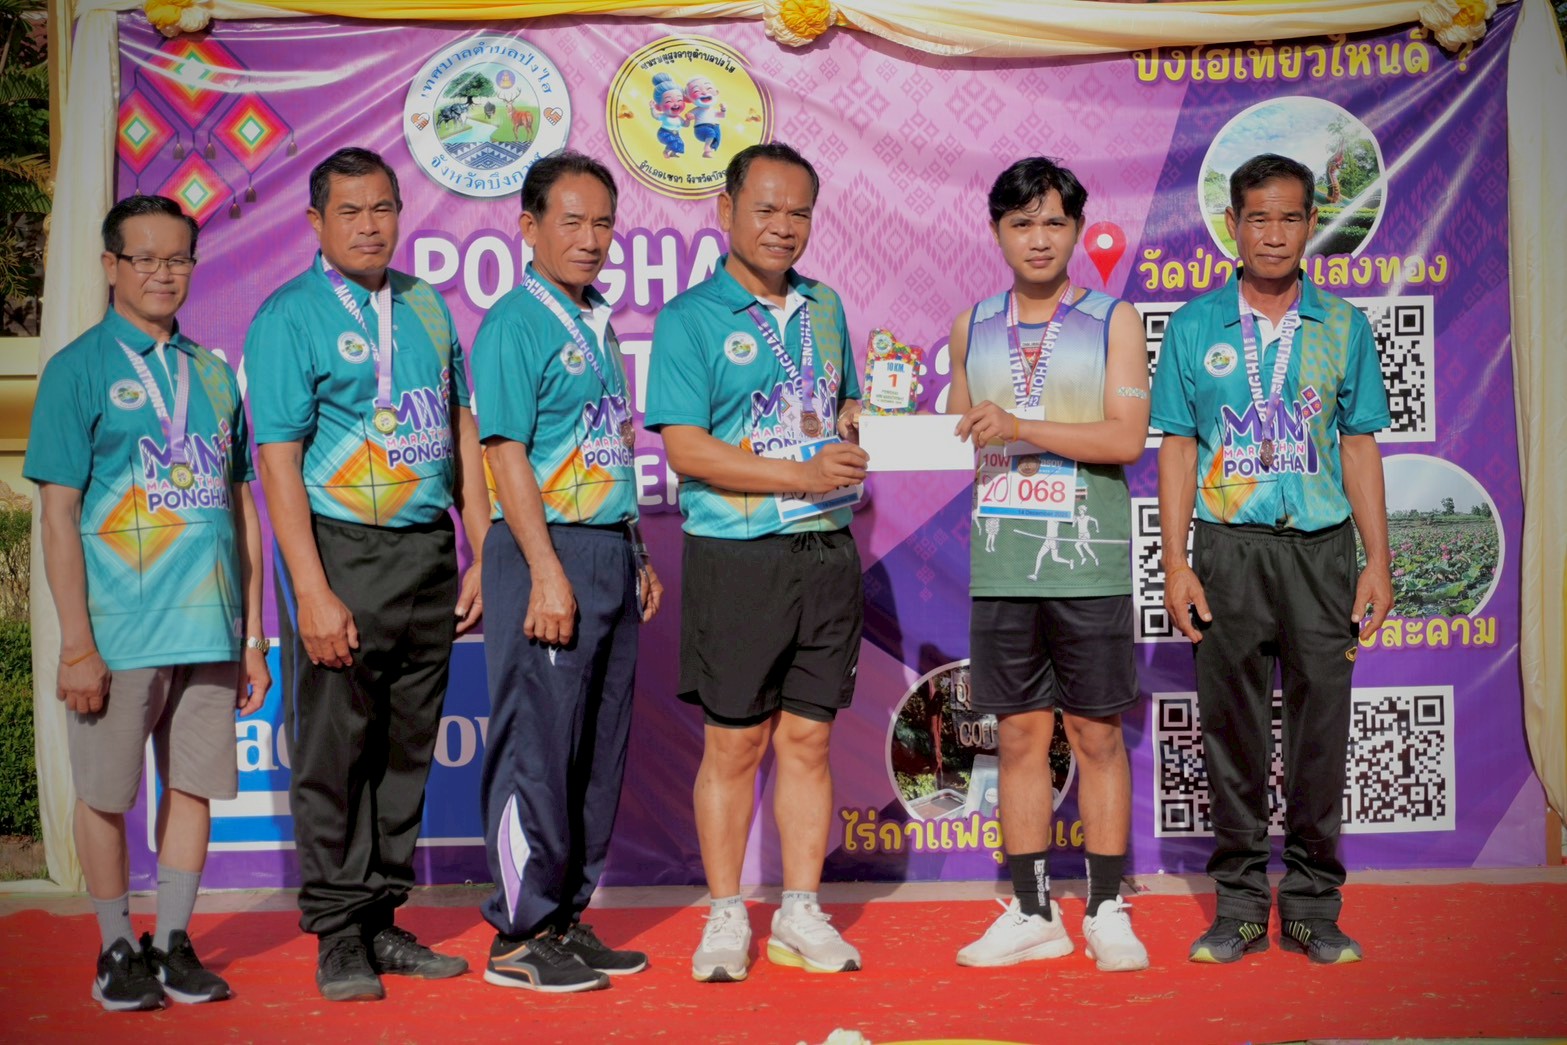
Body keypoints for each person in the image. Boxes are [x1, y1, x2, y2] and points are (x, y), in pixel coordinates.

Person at [246, 147, 489, 1000]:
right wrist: (311, 591)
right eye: (349, 211)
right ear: (315, 222)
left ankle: (383, 917)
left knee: (404, 748)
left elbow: (460, 426)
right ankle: (338, 931)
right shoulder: (289, 315)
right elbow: (277, 462)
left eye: (382, 207)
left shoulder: (425, 304)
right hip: (341, 549)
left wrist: (482, 547)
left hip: (427, 551)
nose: (369, 225)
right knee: (334, 748)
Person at [26, 194, 268, 1010]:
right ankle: (114, 947)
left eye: (178, 259)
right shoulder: (78, 370)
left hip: (210, 626)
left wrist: (252, 638)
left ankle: (171, 941)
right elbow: (57, 515)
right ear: (111, 265)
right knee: (105, 794)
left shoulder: (213, 372)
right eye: (145, 258)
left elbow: (240, 508)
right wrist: (76, 644)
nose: (164, 273)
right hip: (119, 635)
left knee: (193, 787)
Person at [1152, 152, 1392, 965]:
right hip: (1227, 551)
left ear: (1311, 223)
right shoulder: (1193, 327)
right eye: (1258, 217)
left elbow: (1357, 446)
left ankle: (1315, 905)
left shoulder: (1343, 326)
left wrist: (1376, 560)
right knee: (1232, 734)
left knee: (1321, 732)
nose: (1274, 234)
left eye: (1290, 217)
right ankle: (1240, 906)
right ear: (1232, 225)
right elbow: (1177, 447)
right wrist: (1176, 562)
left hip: (1322, 554)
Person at [646, 142, 868, 982]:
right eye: (766, 209)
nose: (783, 226)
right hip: (737, 556)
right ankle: (726, 912)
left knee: (808, 739)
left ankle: (800, 911)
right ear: (726, 211)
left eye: (798, 212)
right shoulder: (690, 317)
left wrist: (852, 422)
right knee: (734, 743)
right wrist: (799, 472)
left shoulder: (825, 307)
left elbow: (838, 400)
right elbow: (685, 448)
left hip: (826, 550)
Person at [946, 157, 1151, 973]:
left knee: (1096, 734)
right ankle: (1033, 911)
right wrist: (881, 420)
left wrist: (1020, 425)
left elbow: (1124, 439)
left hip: (1087, 561)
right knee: (1019, 736)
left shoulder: (1113, 320)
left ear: (1076, 230)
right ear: (996, 231)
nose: (1038, 238)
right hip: (1002, 563)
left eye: (1054, 222)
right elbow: (958, 436)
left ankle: (1105, 905)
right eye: (1021, 223)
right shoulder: (970, 325)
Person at [471, 152, 664, 993]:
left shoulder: (597, 322)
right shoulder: (515, 322)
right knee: (538, 749)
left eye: (603, 223)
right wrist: (546, 571)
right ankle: (517, 934)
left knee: (594, 750)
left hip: (607, 550)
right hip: (543, 550)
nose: (590, 239)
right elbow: (505, 452)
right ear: (529, 226)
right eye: (572, 221)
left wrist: (636, 549)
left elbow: (608, 446)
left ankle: (563, 917)